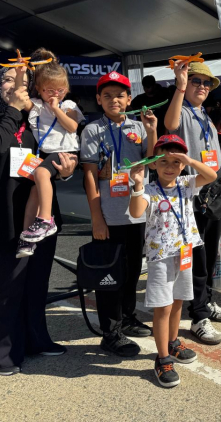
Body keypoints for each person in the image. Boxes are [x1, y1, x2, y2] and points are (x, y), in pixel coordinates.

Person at [0, 65, 77, 376]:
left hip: (40, 219)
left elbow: (54, 155)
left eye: (24, 83)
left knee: (37, 283)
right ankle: (2, 354)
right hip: (3, 219)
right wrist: (13, 110)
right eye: (10, 80)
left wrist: (65, 172)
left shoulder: (36, 121)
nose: (19, 87)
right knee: (9, 285)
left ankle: (36, 340)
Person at [129, 134, 217, 387]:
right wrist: (137, 184)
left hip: (184, 252)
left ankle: (172, 341)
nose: (170, 167)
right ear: (154, 164)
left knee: (178, 300)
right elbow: (136, 212)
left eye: (175, 162)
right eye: (164, 161)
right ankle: (162, 358)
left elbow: (211, 175)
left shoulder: (186, 183)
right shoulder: (149, 190)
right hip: (160, 256)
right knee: (163, 307)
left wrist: (189, 161)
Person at [80, 71, 158, 357]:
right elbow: (90, 175)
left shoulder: (138, 126)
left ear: (129, 99)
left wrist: (152, 130)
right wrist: (97, 218)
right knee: (109, 275)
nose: (114, 100)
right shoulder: (92, 130)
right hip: (109, 216)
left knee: (132, 270)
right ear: (99, 100)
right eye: (108, 95)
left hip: (137, 212)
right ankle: (110, 332)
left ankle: (126, 316)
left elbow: (153, 160)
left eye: (120, 95)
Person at [164, 60, 221, 343]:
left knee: (211, 253)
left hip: (213, 193)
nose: (202, 87)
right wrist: (180, 86)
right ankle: (198, 316)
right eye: (196, 81)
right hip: (192, 195)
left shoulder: (203, 113)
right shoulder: (180, 109)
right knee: (198, 257)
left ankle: (206, 301)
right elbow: (170, 125)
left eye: (206, 83)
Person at [17, 52, 85, 257]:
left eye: (60, 90)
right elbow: (21, 95)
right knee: (34, 192)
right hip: (46, 154)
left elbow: (72, 127)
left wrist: (56, 109)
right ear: (39, 89)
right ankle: (27, 238)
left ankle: (46, 220)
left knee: (40, 173)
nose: (55, 94)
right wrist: (20, 72)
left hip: (66, 152)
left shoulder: (68, 106)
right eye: (49, 90)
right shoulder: (36, 106)